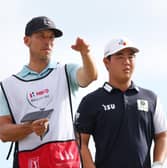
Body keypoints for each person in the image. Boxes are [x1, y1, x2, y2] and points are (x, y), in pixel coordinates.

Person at [0, 16, 97, 168]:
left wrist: (85, 53)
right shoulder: (8, 85)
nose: (48, 42)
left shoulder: (66, 71)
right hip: (29, 161)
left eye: (51, 37)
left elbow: (90, 77)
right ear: (27, 41)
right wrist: (30, 128)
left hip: (66, 160)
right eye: (41, 36)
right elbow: (3, 133)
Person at [75, 37, 167, 168]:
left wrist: (158, 164)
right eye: (120, 57)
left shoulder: (151, 98)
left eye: (131, 56)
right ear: (106, 62)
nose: (127, 62)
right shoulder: (91, 101)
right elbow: (80, 142)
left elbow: (162, 135)